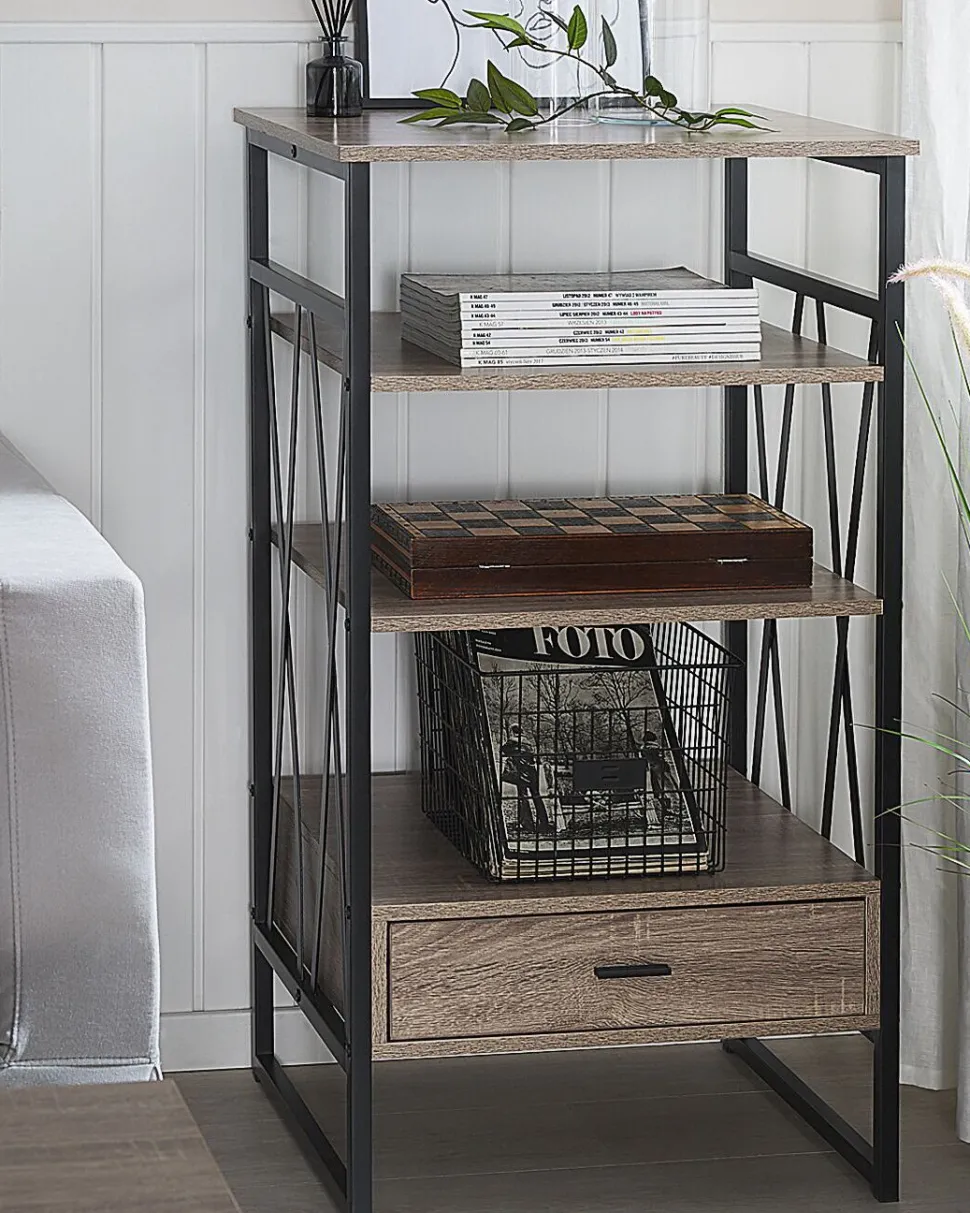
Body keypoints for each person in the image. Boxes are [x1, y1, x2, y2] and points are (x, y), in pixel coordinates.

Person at [501, 724, 555, 835]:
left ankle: (527, 824)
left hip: (521, 771)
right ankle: (543, 823)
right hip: (532, 771)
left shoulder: (512, 741)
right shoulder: (528, 742)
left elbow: (503, 751)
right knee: (536, 796)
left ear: (512, 731)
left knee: (523, 797)